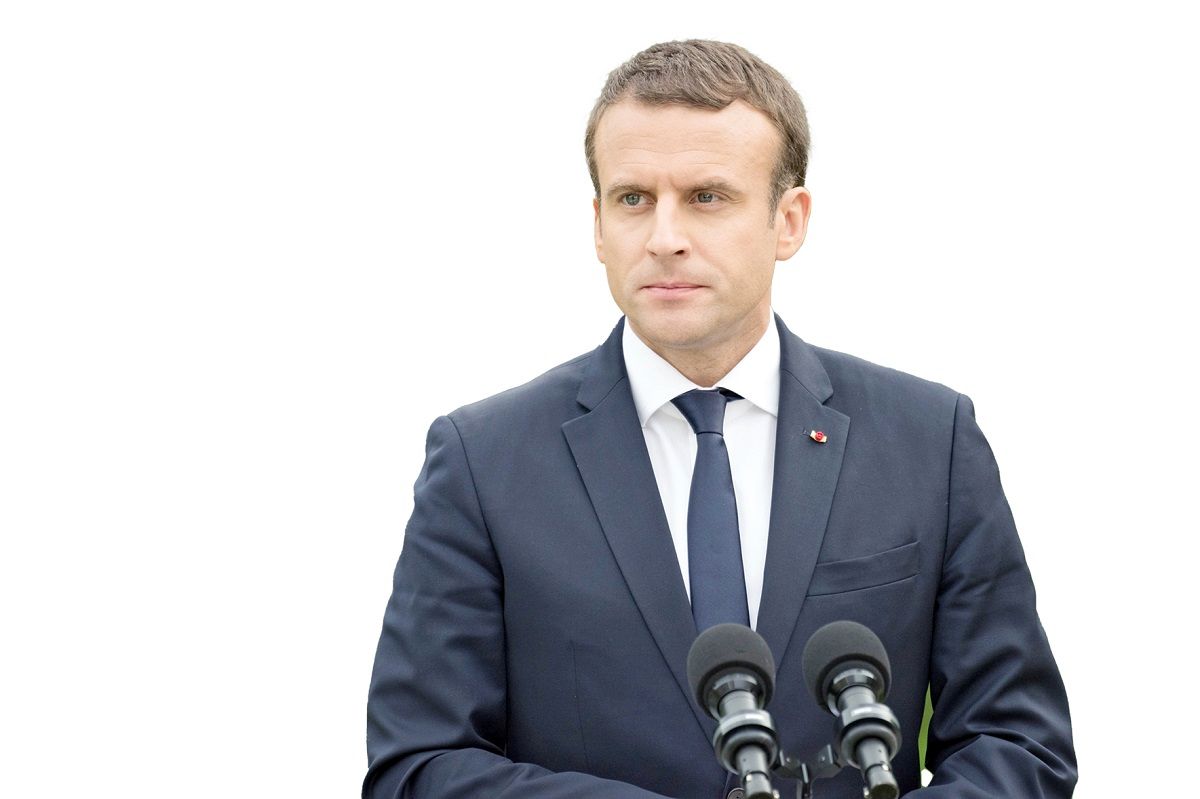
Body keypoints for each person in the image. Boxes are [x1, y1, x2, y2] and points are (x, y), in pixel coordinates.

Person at [364, 40, 1076, 798]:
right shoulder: (482, 461)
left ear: (789, 220)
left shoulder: (931, 441)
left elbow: (1018, 745)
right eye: (633, 199)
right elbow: (419, 764)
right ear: (598, 225)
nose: (664, 236)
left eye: (707, 197)